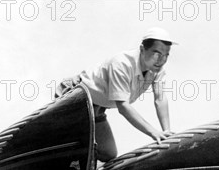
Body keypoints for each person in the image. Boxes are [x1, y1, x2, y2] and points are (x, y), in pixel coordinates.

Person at [55, 27, 178, 162]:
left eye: (166, 55)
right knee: (73, 147)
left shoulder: (157, 70)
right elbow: (123, 107)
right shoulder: (122, 63)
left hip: (97, 107)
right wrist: (154, 133)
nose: (161, 60)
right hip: (74, 97)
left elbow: (160, 99)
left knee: (108, 153)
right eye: (157, 54)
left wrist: (167, 132)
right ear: (142, 49)